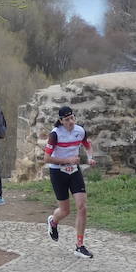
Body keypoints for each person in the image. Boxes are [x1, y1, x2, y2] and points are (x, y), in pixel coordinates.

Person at [44, 105, 96, 258]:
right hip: (57, 172)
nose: (71, 122)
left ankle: (79, 246)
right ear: (61, 121)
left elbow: (88, 145)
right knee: (65, 211)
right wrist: (67, 160)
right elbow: (46, 158)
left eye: (72, 118)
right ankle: (53, 221)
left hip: (74, 171)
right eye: (67, 120)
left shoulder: (80, 131)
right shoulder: (55, 134)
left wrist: (91, 158)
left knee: (82, 206)